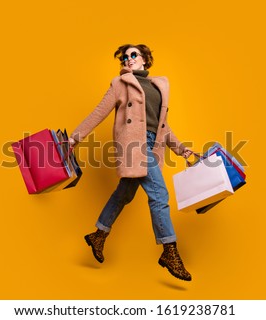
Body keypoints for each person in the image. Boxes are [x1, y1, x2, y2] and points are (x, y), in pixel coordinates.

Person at [69, 44, 193, 281]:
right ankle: (170, 251)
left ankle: (99, 235)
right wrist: (75, 138)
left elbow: (163, 126)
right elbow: (98, 113)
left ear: (145, 59)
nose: (128, 59)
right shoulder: (120, 84)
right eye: (124, 57)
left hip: (151, 144)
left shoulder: (157, 86)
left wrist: (182, 150)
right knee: (159, 195)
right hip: (134, 146)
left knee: (124, 193)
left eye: (133, 55)